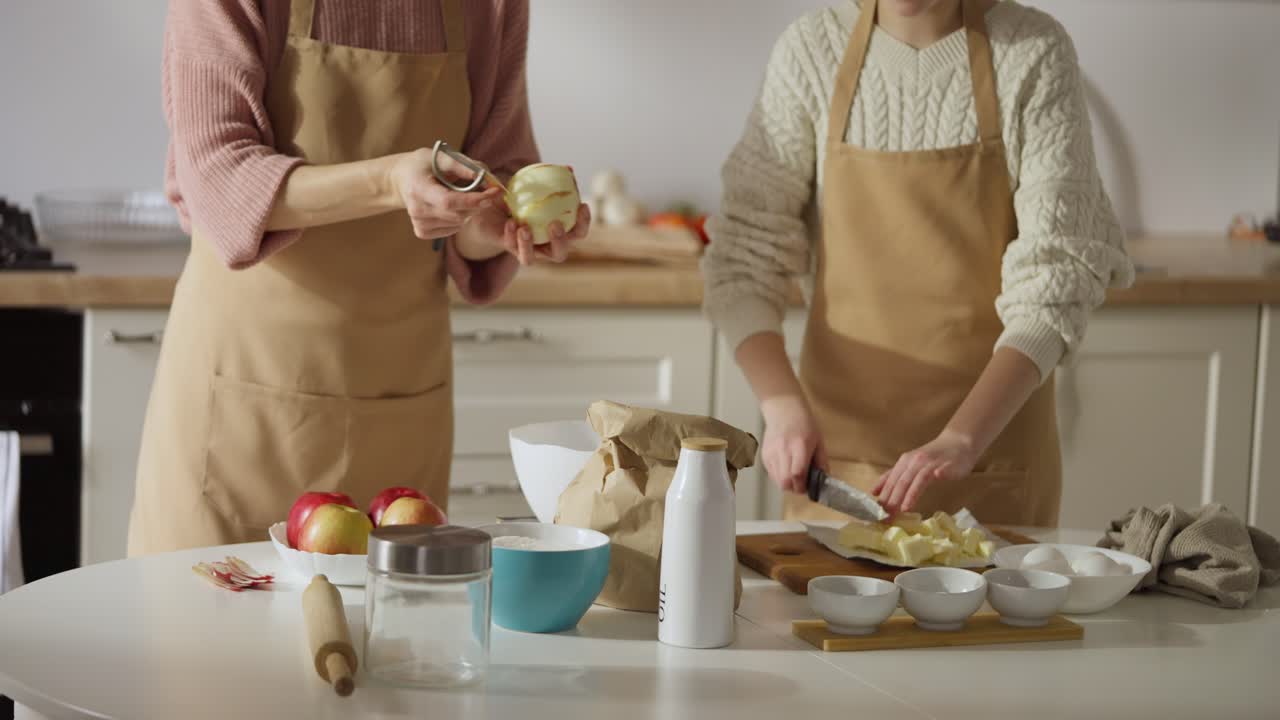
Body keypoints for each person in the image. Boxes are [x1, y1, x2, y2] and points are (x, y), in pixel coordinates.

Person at [127, 0, 590, 555]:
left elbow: (487, 182)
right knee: (208, 635)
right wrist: (390, 181)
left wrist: (498, 223)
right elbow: (219, 179)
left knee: (389, 635)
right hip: (241, 402)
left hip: (400, 396)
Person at [702, 0, 1134, 526]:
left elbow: (1057, 274)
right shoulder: (811, 52)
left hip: (994, 463)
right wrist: (782, 408)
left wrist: (961, 437)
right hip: (839, 469)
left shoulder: (1032, 52)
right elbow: (744, 256)